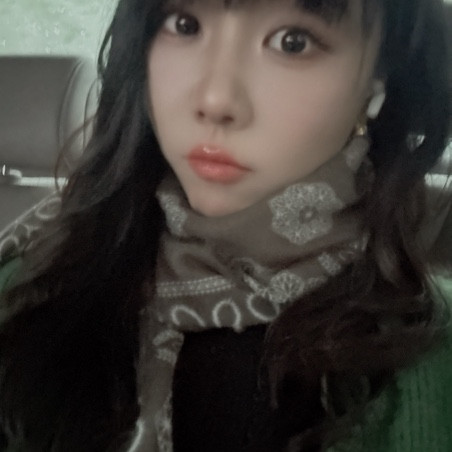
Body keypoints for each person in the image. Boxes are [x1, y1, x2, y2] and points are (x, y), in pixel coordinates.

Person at [0, 0, 450, 450]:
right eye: (184, 24)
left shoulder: (435, 356)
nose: (215, 101)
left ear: (378, 77)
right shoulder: (31, 286)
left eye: (293, 42)